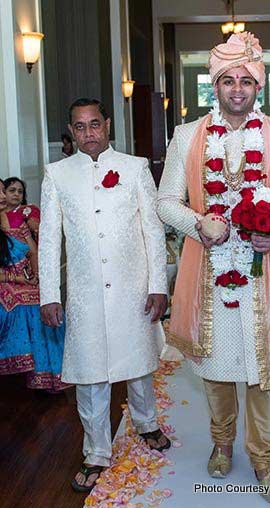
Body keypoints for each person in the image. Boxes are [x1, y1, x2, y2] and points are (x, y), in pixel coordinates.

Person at [158, 32, 270, 503]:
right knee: (219, 369)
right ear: (214, 85)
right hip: (208, 272)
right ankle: (222, 445)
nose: (238, 89)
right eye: (228, 80)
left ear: (259, 87)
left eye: (246, 80)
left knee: (265, 374)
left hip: (265, 273)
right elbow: (165, 202)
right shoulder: (186, 136)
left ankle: (264, 459)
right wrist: (198, 223)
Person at [38, 98, 170, 493]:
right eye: (80, 127)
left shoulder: (135, 168)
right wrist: (49, 293)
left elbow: (153, 230)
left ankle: (146, 423)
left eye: (95, 124)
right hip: (84, 291)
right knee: (90, 372)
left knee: (140, 362)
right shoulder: (57, 174)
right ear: (71, 131)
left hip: (132, 285)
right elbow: (48, 239)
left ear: (107, 125)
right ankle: (96, 450)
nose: (89, 133)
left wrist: (158, 285)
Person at [0, 179, 66, 391]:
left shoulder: (22, 219)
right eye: (4, 192)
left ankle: (48, 376)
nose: (5, 196)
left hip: (22, 278)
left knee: (44, 303)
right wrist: (17, 279)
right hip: (6, 280)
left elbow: (33, 251)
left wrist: (36, 276)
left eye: (5, 191)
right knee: (21, 305)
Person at [3, 177, 41, 242]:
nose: (16, 194)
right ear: (3, 192)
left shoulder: (30, 210)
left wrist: (31, 223)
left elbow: (38, 230)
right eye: (12, 190)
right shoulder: (2, 213)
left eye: (20, 192)